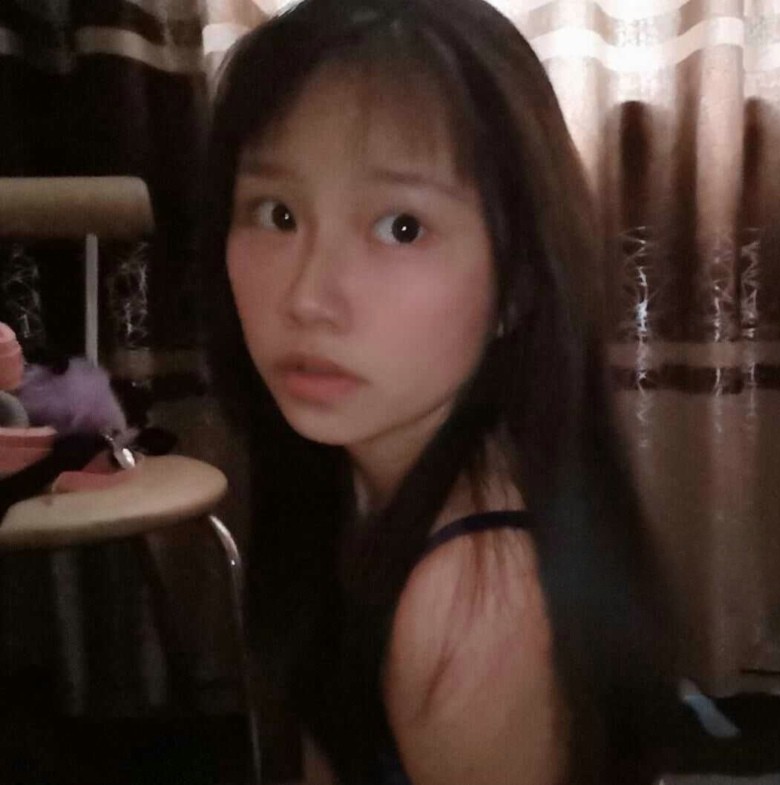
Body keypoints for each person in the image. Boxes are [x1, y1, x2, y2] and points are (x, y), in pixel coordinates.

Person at [201, 0, 678, 783]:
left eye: (402, 227)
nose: (309, 297)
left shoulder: (474, 601)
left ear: (518, 281)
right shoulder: (347, 468)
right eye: (277, 214)